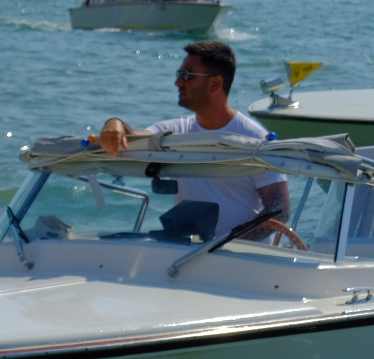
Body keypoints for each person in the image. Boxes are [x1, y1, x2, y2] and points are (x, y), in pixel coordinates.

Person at [94, 40, 288, 236]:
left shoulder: (255, 139)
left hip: (239, 252)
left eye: (186, 75)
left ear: (215, 83)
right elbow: (134, 138)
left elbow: (279, 209)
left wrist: (229, 245)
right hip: (189, 250)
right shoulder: (174, 131)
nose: (178, 82)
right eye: (179, 75)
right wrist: (114, 123)